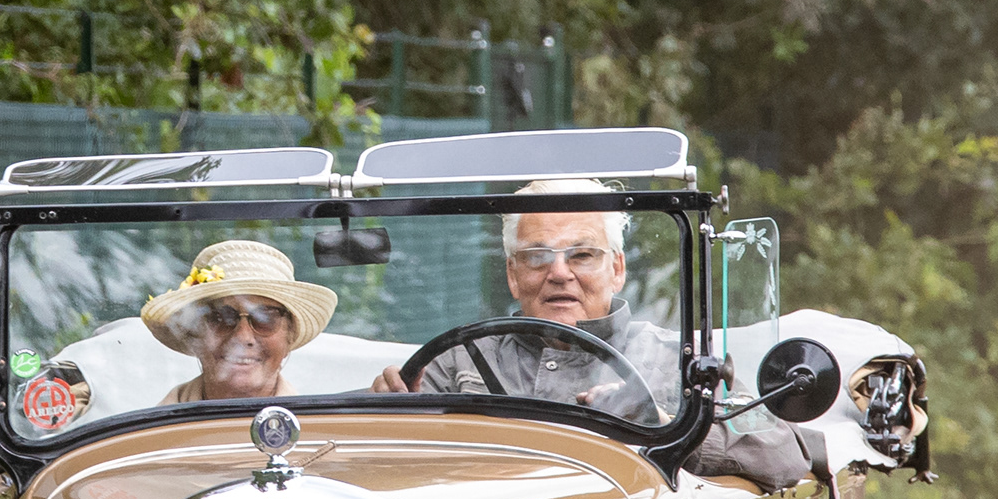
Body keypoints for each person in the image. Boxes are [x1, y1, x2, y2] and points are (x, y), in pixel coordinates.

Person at [376, 192, 677, 417]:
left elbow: (710, 460)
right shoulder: (460, 360)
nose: (559, 273)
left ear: (617, 270)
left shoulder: (675, 360)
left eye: (582, 255)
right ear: (513, 275)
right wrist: (391, 408)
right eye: (537, 257)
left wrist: (655, 421)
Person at [140, 239, 336, 402]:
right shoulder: (149, 433)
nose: (243, 337)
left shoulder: (319, 431)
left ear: (289, 337)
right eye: (222, 317)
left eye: (265, 318)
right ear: (195, 336)